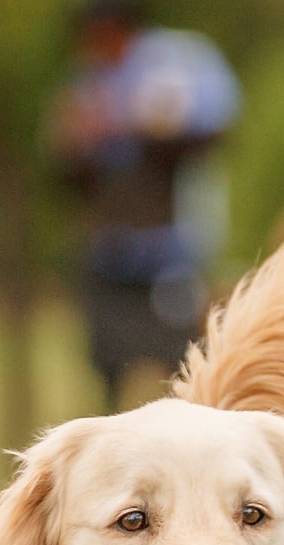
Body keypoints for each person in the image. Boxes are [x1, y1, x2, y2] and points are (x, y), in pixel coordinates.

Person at [54, 0, 239, 410]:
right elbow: (70, 164)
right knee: (108, 362)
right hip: (111, 252)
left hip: (170, 249)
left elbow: (210, 130)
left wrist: (129, 124)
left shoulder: (178, 62)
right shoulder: (89, 79)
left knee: (183, 361)